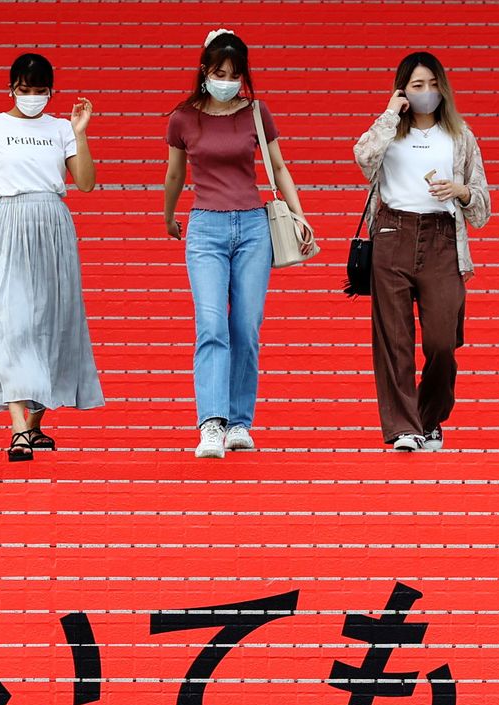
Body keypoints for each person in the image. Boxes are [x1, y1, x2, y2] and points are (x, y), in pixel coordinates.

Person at [164, 29, 314, 459]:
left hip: (252, 228)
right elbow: (175, 174)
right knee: (211, 324)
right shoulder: (183, 117)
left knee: (245, 328)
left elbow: (279, 166)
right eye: (218, 72)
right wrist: (168, 214)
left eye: (233, 73)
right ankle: (211, 423)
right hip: (205, 227)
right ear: (204, 71)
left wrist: (300, 214)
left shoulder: (256, 113)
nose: (226, 80)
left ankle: (239, 422)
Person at [0, 52, 103, 462]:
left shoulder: (61, 128)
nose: (32, 97)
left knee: (55, 321)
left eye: (40, 90)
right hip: (7, 222)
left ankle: (36, 423)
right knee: (9, 321)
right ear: (11, 88)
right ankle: (17, 427)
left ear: (51, 91)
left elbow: (87, 184)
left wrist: (79, 133)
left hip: (53, 225)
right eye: (24, 90)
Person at [354, 51, 491, 452]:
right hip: (393, 232)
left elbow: (483, 207)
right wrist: (389, 114)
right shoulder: (389, 132)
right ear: (402, 89)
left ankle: (429, 417)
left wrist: (461, 190)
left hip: (442, 237)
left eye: (433, 84)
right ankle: (403, 428)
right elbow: (362, 158)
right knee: (394, 339)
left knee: (442, 343)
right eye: (417, 86)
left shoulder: (460, 136)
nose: (427, 93)